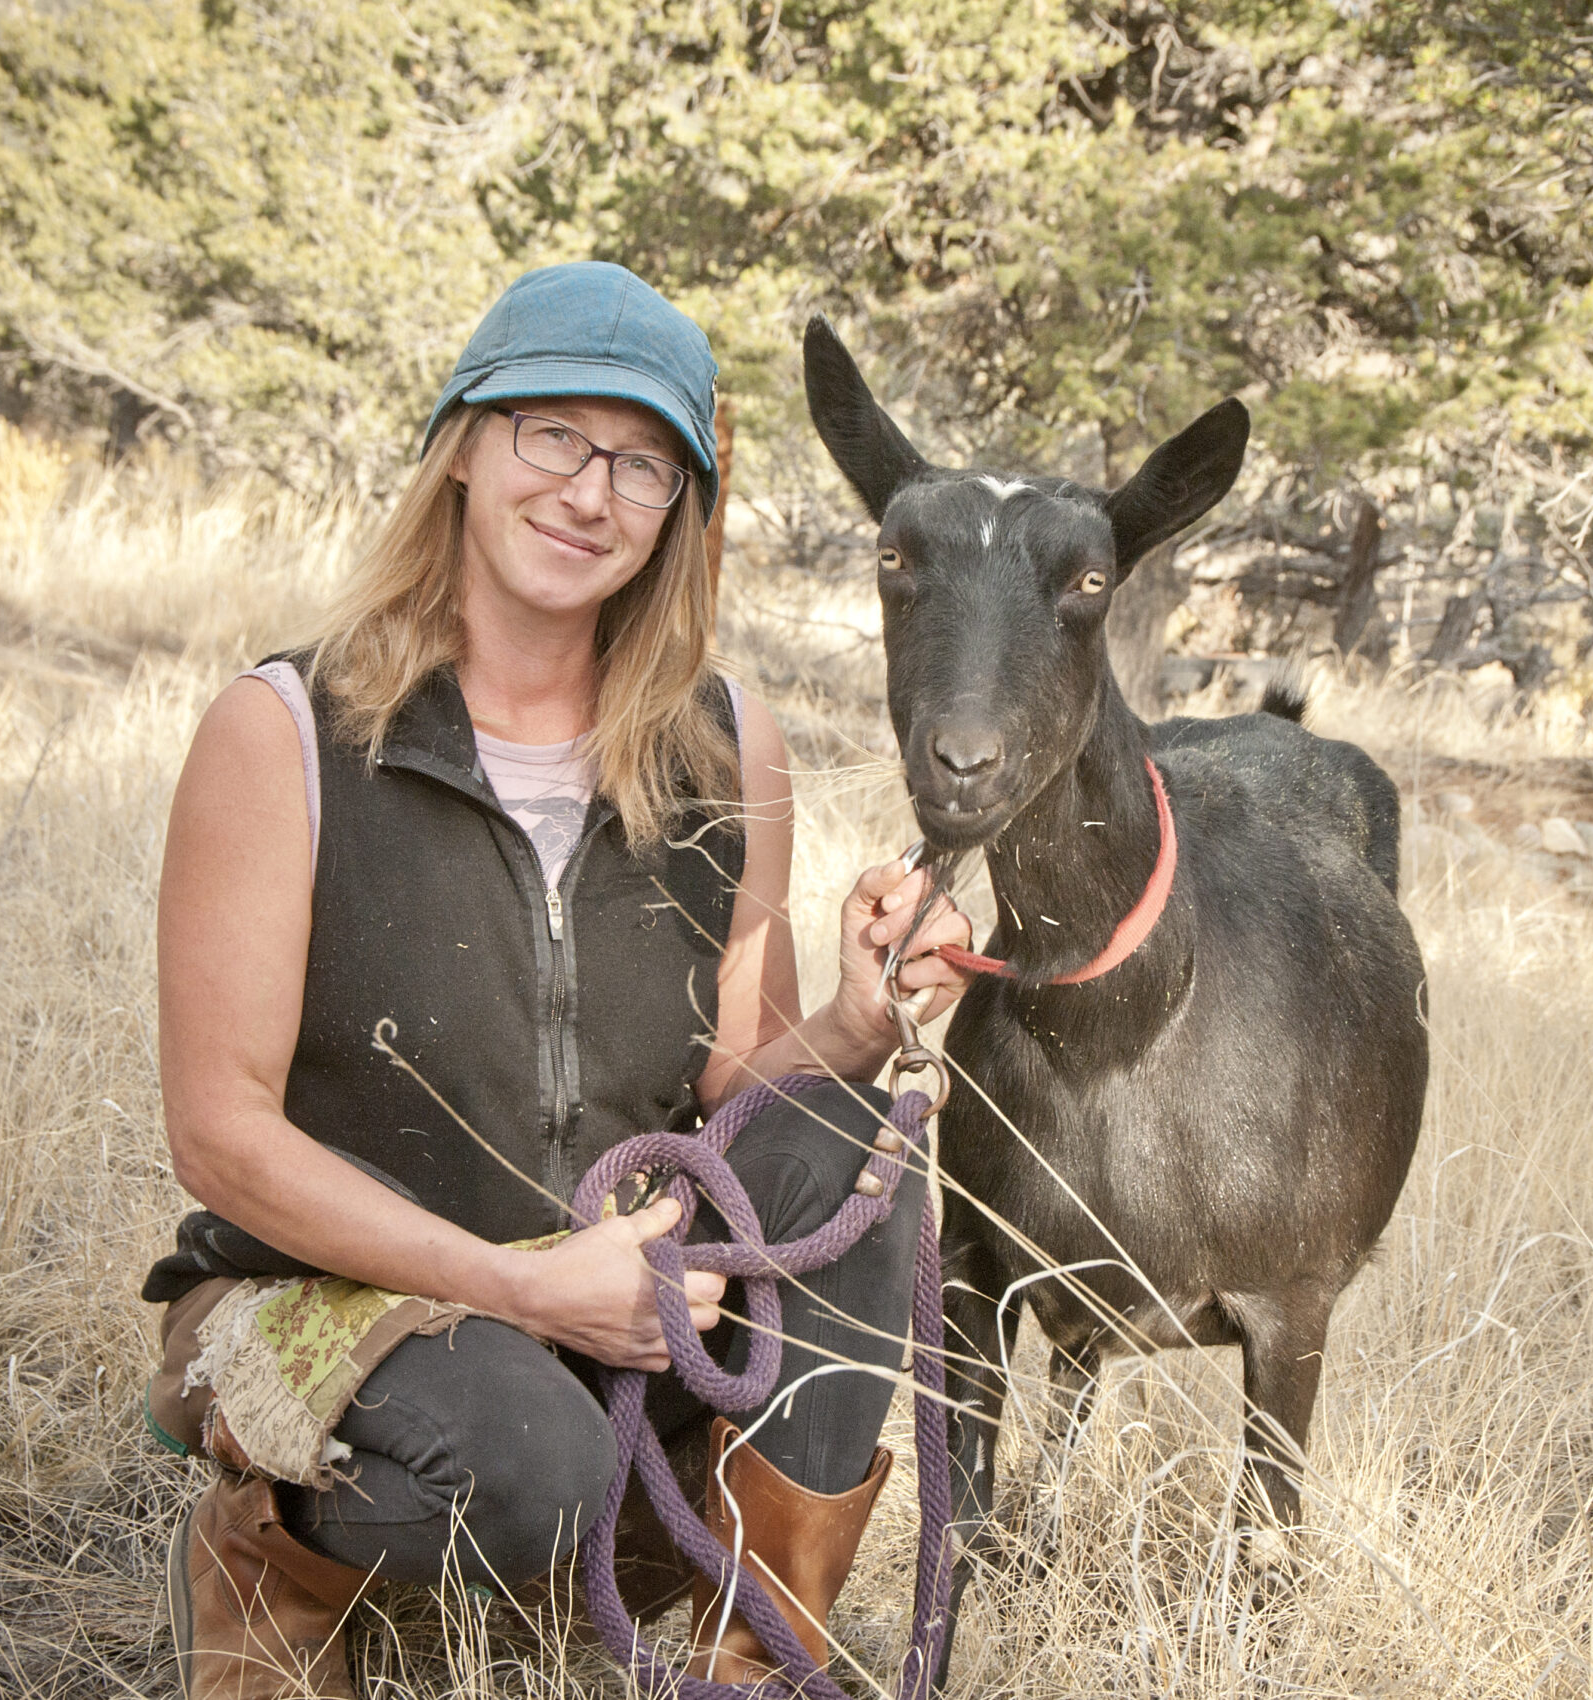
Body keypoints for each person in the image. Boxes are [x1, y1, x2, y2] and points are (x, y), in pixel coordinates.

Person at [141, 262, 972, 1699]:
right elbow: (221, 1135)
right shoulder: (282, 733)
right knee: (524, 1467)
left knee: (842, 1148)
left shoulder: (727, 746)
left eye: (644, 463)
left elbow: (732, 1086)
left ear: (680, 513)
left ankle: (755, 1653)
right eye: (553, 434)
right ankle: (269, 1557)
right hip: (342, 1295)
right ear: (465, 443)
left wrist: (855, 1016)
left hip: (615, 1288)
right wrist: (519, 1291)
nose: (591, 493)